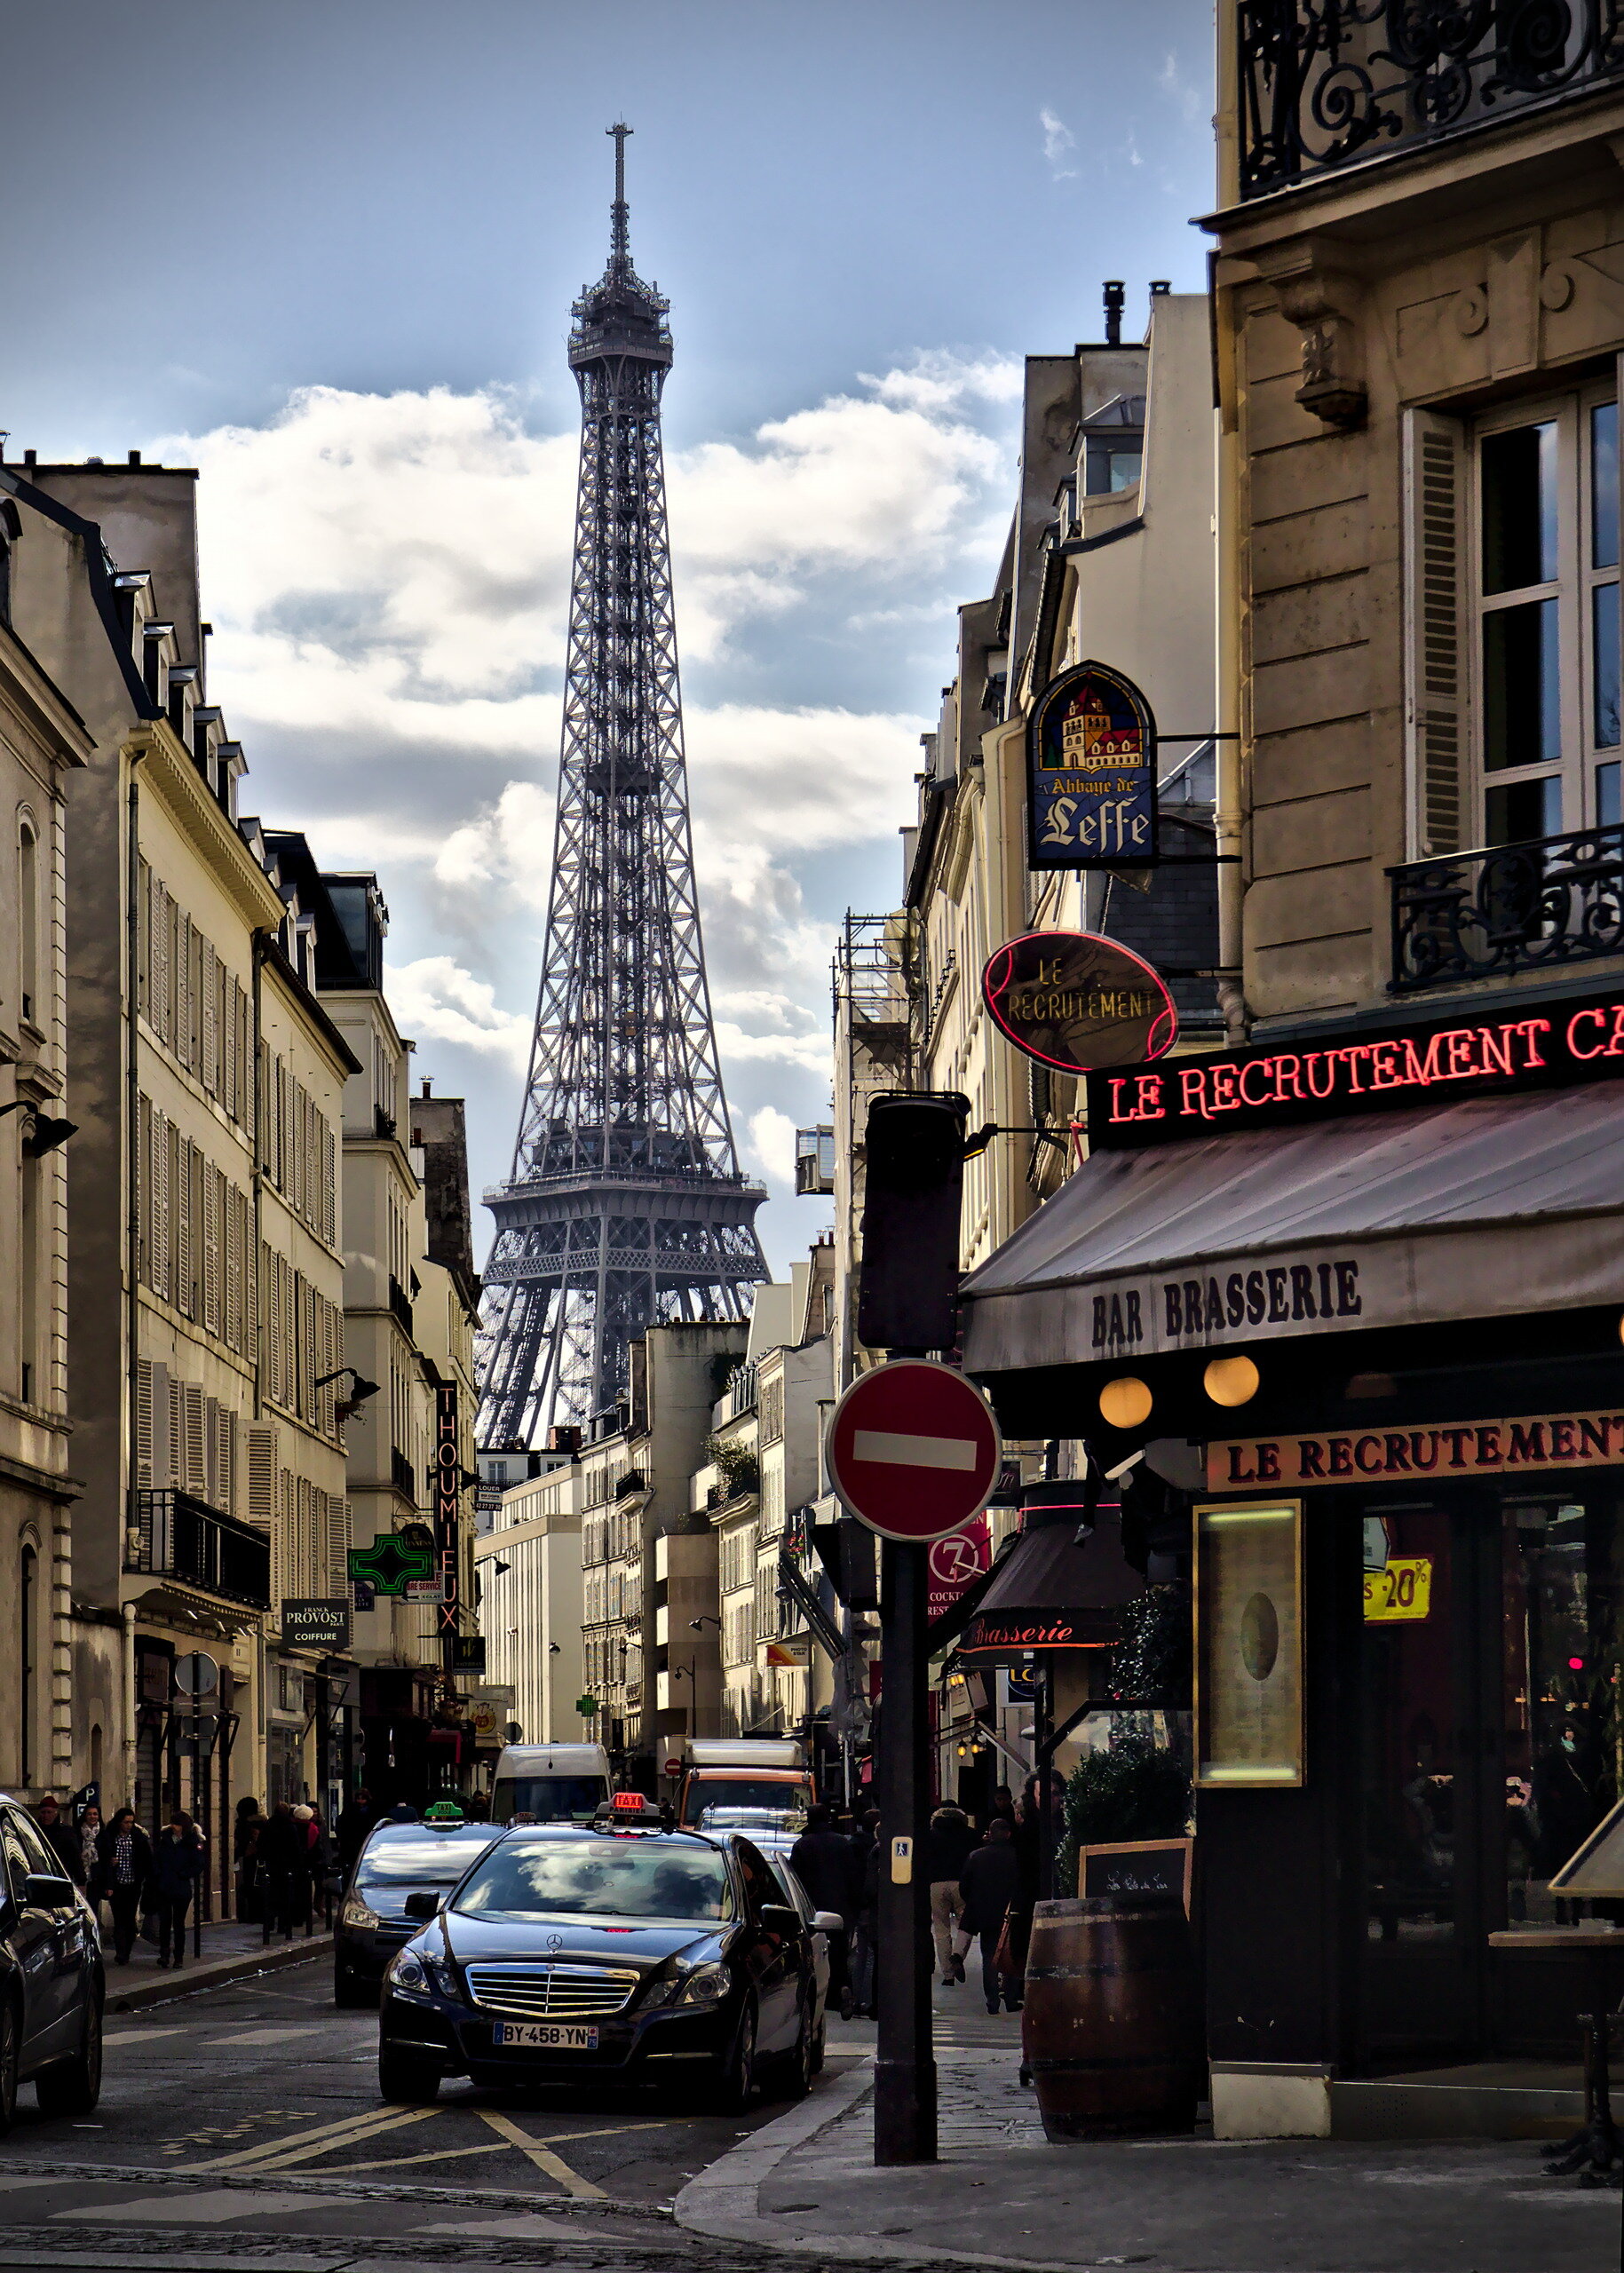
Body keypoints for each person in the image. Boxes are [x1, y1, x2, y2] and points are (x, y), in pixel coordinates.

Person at [789, 1802, 862, 2017]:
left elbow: (796, 1878)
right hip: (840, 1908)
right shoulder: (842, 1843)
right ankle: (842, 1988)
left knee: (817, 1953)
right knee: (840, 1953)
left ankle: (827, 1993)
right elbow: (853, 1876)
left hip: (814, 1909)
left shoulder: (804, 1845)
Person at [957, 1818, 1023, 2014]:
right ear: (1009, 1834)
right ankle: (1011, 1998)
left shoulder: (976, 1857)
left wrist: (975, 1902)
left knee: (989, 1957)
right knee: (1011, 1954)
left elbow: (964, 1887)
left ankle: (992, 2001)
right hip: (1011, 1912)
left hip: (985, 1913)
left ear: (990, 1834)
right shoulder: (1018, 1857)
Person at [923, 1802, 977, 1986]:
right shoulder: (969, 1834)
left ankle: (948, 1975)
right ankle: (958, 1955)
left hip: (936, 1884)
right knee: (965, 1925)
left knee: (941, 1929)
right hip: (961, 1884)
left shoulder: (929, 1835)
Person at [96, 1808, 154, 1965]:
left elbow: (147, 1859)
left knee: (129, 1919)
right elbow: (101, 1856)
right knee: (119, 1918)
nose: (129, 1825)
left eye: (131, 1822)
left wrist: (146, 1877)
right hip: (116, 1884)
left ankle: (126, 1949)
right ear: (119, 1822)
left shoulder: (138, 1837)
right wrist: (109, 1861)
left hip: (133, 1884)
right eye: (126, 1822)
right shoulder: (110, 1837)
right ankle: (121, 1952)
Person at [151, 1808, 205, 1967]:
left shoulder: (193, 1841)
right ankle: (164, 1954)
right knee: (165, 1922)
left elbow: (199, 1864)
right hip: (165, 1886)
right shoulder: (165, 1839)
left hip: (181, 1888)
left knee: (179, 1924)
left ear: (184, 1826)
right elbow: (157, 1859)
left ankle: (179, 1957)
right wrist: (159, 1874)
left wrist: (184, 1874)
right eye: (173, 1824)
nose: (174, 1827)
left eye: (178, 1824)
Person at [254, 1801, 303, 1944]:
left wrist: (263, 1859)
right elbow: (295, 1848)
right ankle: (283, 1926)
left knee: (270, 1896)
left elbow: (261, 1845)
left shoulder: (268, 1826)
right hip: (286, 1867)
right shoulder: (290, 1827)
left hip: (271, 1866)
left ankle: (268, 1925)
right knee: (285, 1897)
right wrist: (297, 1866)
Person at [33, 1793, 85, 1884]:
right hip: (39, 1877)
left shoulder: (66, 1832)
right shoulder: (34, 1830)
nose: (46, 1816)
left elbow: (75, 1857)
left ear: (55, 1813)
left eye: (49, 1812)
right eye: (43, 1812)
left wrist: (81, 1880)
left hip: (61, 1877)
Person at [234, 1796, 265, 1921]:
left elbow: (240, 1841)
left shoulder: (242, 1824)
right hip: (260, 1858)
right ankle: (258, 1914)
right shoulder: (262, 1822)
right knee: (258, 1886)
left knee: (247, 1885)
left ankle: (248, 1914)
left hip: (246, 1858)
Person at [335, 1788, 376, 1877]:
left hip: (366, 1842)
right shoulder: (350, 1810)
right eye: (359, 1799)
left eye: (363, 1799)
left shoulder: (372, 1811)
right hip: (352, 1843)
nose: (361, 1801)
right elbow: (342, 1825)